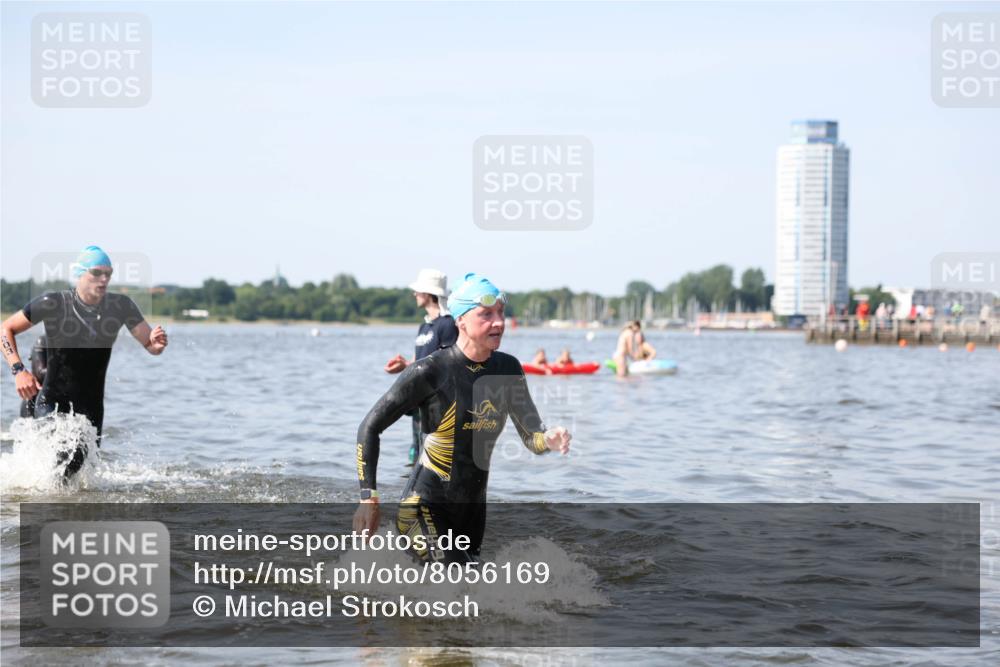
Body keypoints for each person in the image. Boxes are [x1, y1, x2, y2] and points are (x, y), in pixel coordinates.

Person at [353, 273, 571, 563]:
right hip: (424, 504)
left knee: (467, 596)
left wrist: (550, 440)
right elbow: (370, 427)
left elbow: (532, 436)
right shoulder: (430, 371)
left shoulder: (508, 369)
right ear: (461, 321)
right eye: (486, 315)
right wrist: (369, 498)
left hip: (472, 512)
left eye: (501, 313)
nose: (499, 322)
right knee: (456, 582)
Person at [1, 246, 168, 478]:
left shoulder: (121, 306)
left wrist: (156, 344)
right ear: (80, 273)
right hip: (52, 402)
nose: (104, 279)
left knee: (80, 476)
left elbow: (150, 345)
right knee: (70, 457)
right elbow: (5, 328)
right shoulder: (53, 303)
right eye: (97, 272)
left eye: (108, 273)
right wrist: (18, 369)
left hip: (92, 408)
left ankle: (56, 506)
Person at [383, 269, 458, 466]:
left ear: (428, 293)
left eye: (418, 291)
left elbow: (450, 363)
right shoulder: (424, 327)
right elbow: (421, 361)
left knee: (433, 453)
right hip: (419, 399)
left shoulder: (447, 324)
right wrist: (405, 365)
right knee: (416, 450)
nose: (414, 294)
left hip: (438, 402)